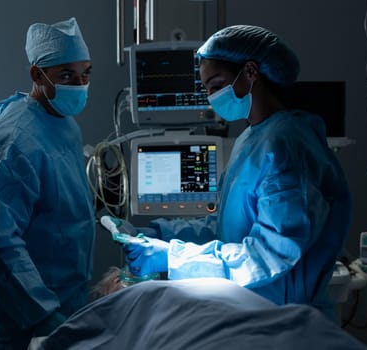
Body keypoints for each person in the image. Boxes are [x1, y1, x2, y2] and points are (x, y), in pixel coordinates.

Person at [116, 24, 352, 318]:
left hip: (286, 321)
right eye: (206, 89)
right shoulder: (249, 140)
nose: (211, 97)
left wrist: (172, 257)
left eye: (216, 86)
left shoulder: (286, 146)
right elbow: (224, 227)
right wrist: (157, 234)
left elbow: (269, 255)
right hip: (248, 312)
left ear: (251, 72)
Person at [0, 17, 96, 349]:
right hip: (28, 319)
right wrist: (42, 315)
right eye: (66, 75)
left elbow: (60, 209)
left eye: (85, 74)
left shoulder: (63, 122)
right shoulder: (18, 141)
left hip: (67, 303)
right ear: (37, 74)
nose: (79, 84)